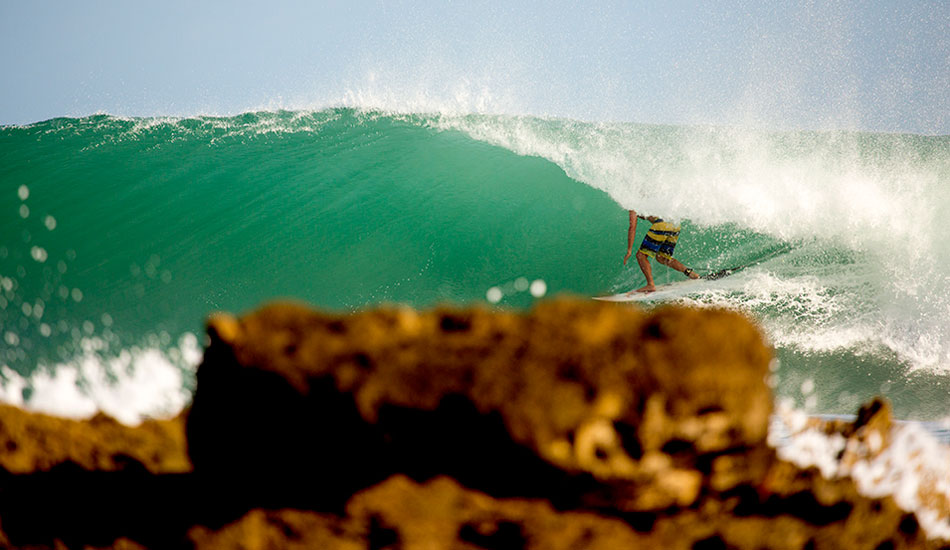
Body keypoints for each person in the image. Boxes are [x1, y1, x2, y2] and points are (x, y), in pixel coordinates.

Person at [623, 210, 699, 293]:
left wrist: (629, 250)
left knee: (641, 256)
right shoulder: (648, 199)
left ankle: (650, 285)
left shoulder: (632, 204)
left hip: (661, 225)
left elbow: (632, 227)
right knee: (662, 258)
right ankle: (691, 273)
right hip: (675, 225)